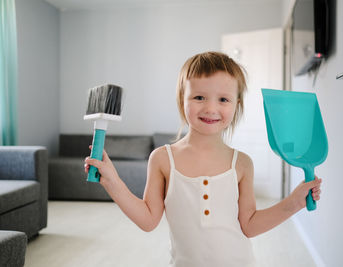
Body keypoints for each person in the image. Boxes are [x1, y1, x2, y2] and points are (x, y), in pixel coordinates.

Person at [84, 51, 322, 267]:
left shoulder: (241, 163)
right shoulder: (162, 159)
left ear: (236, 105)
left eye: (223, 99)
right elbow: (148, 220)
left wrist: (293, 203)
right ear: (182, 98)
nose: (210, 108)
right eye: (199, 97)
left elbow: (249, 225)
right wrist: (112, 181)